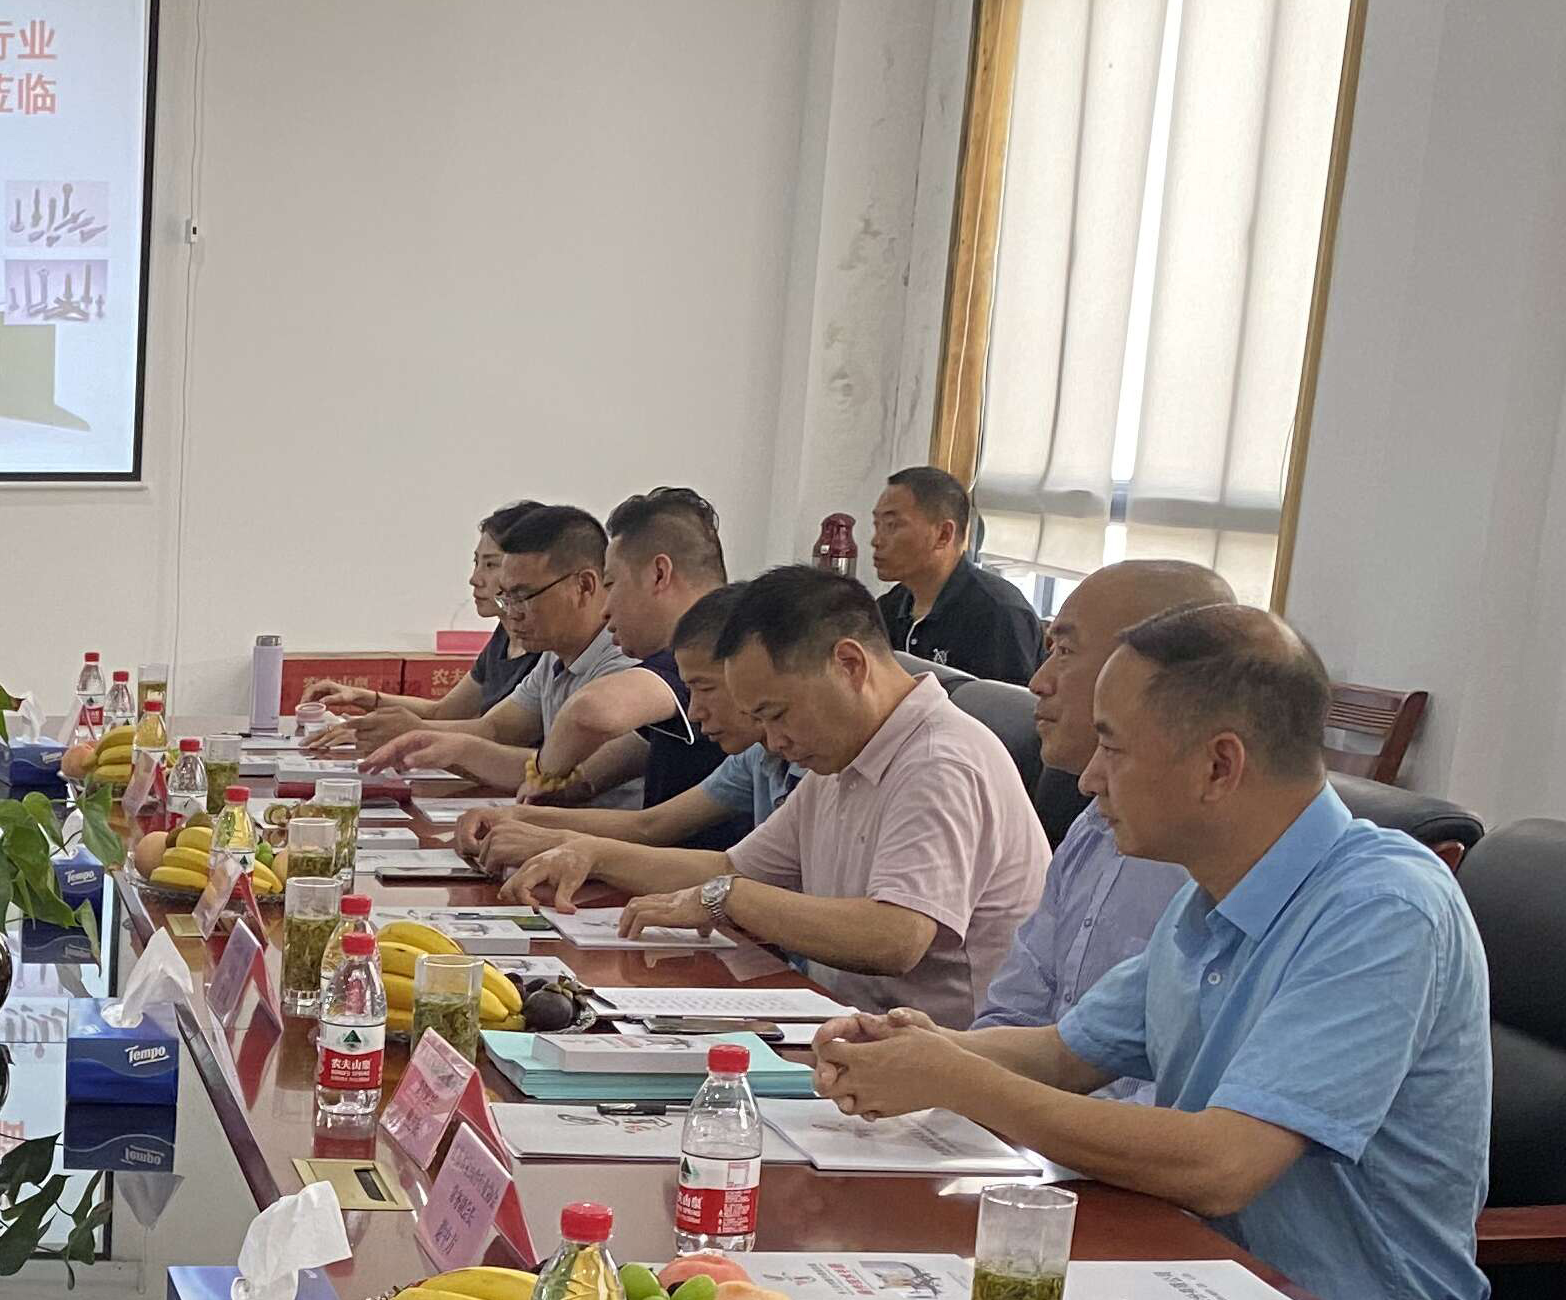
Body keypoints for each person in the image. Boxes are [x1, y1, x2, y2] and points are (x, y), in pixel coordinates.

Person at [811, 604, 1491, 1300]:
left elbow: (1223, 1164)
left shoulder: (1382, 909)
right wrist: (914, 1047)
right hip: (1191, 1279)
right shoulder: (1211, 896)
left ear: (1219, 766)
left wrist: (957, 1080)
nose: (1089, 779)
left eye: (1113, 748)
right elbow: (1065, 1054)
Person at [505, 568, 1049, 1018]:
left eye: (778, 713)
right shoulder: (845, 754)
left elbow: (895, 937)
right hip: (843, 1026)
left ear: (849, 665)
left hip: (941, 1069)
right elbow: (731, 867)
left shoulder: (938, 762)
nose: (773, 739)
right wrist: (591, 853)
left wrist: (729, 898)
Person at [971, 560, 1233, 1089]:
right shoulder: (1094, 825)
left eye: (1065, 652)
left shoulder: (1212, 866)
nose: (1037, 681)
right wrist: (934, 1063)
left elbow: (1180, 1114)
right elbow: (1026, 1022)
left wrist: (966, 1081)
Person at [463, 589, 794, 871]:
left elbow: (737, 874)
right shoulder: (754, 758)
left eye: (704, 688)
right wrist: (514, 818)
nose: (694, 711)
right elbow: (651, 825)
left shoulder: (812, 770)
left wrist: (579, 848)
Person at [389, 504, 670, 798]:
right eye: (506, 597)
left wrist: (444, 744)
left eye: (523, 596)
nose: (512, 613)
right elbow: (499, 730)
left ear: (584, 586)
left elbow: (571, 777)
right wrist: (435, 743)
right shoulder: (553, 654)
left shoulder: (625, 658)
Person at [540, 485, 728, 808]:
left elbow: (589, 712)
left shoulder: (712, 645)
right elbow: (593, 776)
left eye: (611, 584)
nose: (604, 610)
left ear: (659, 574)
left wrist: (542, 772)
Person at [301, 503, 539, 758]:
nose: (474, 578)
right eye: (476, 562)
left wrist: (403, 733)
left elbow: (494, 731)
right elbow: (444, 712)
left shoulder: (547, 648)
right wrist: (359, 697)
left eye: (491, 565)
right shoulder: (503, 636)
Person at [869, 466, 1046, 683]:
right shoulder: (888, 607)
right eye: (877, 525)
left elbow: (1007, 703)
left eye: (892, 525)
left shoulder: (998, 614)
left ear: (944, 535)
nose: (876, 541)